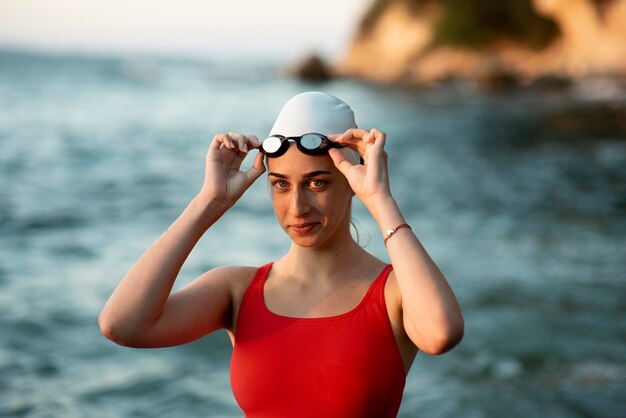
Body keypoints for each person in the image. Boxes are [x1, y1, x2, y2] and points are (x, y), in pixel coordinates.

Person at [99, 91, 464, 417]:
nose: (297, 207)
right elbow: (122, 325)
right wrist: (208, 203)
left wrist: (381, 200)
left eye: (317, 183)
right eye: (281, 185)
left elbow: (441, 333)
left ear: (353, 182)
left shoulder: (394, 293)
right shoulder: (238, 291)